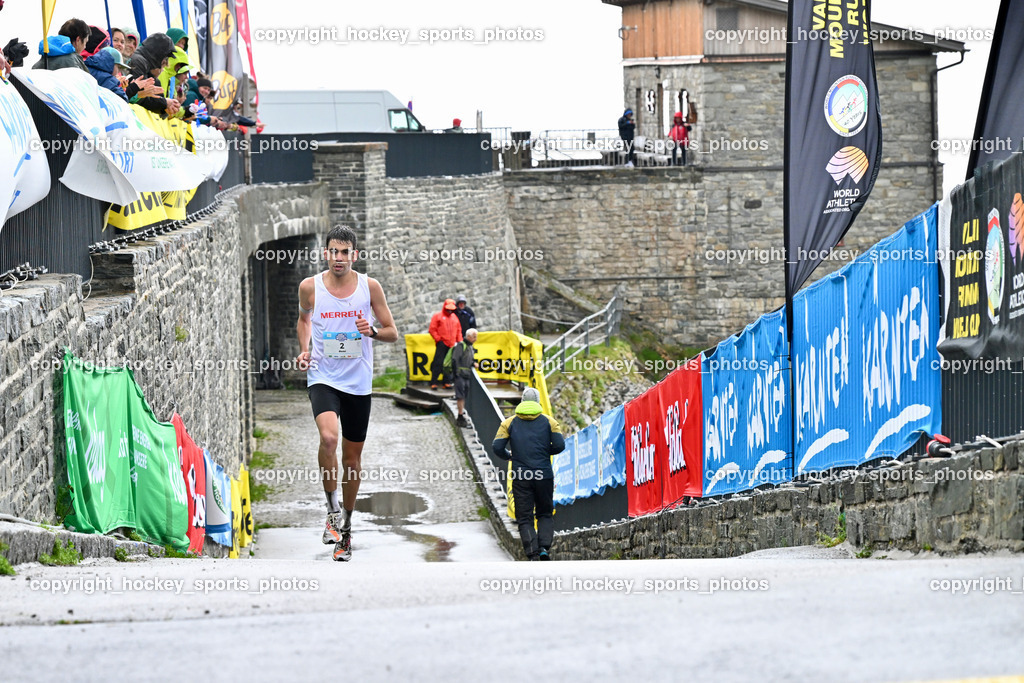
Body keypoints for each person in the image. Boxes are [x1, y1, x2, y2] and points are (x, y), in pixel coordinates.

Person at [296, 225, 398, 562]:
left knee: (352, 460)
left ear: (354, 254)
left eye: (345, 252)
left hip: (358, 384)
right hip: (323, 376)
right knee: (328, 439)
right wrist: (305, 349)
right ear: (325, 253)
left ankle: (348, 529)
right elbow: (304, 320)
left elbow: (392, 332)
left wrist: (372, 332)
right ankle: (331, 511)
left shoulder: (370, 288)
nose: (338, 258)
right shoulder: (310, 287)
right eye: (333, 252)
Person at [492, 387, 565, 561]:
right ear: (538, 402)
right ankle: (544, 549)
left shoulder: (509, 423)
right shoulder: (550, 422)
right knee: (545, 513)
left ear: (522, 402)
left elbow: (497, 447)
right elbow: (560, 445)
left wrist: (509, 456)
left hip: (521, 475)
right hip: (544, 474)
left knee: (524, 517)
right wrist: (545, 452)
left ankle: (532, 553)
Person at [127, 33, 181, 116]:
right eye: (165, 57)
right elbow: (140, 96)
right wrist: (165, 103)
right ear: (159, 54)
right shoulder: (139, 61)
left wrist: (166, 107)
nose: (165, 61)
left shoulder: (145, 64)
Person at [428, 299, 462, 390]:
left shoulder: (455, 317)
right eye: (448, 309)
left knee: (448, 365)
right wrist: (438, 339)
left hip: (452, 345)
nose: (449, 311)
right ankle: (433, 382)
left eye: (451, 309)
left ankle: (446, 382)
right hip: (442, 344)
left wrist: (459, 342)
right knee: (438, 363)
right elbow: (432, 329)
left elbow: (459, 331)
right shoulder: (437, 316)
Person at [452, 328, 478, 427]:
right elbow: (455, 359)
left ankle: (462, 414)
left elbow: (467, 359)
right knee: (460, 396)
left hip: (466, 375)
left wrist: (473, 363)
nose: (475, 339)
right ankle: (460, 416)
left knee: (464, 395)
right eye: (474, 337)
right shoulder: (461, 346)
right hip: (460, 375)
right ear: (469, 336)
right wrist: (456, 374)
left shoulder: (470, 347)